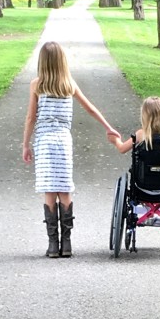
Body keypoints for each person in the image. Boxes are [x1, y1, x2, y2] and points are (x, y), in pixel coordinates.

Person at [22, 41, 119, 258]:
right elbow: (90, 108)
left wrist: (26, 144)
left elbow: (31, 117)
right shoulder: (69, 85)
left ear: (42, 62)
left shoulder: (36, 85)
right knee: (64, 189)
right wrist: (109, 127)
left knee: (49, 190)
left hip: (45, 142)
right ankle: (67, 243)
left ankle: (52, 244)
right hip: (63, 142)